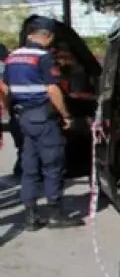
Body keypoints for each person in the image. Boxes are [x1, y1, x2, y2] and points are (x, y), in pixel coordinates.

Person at [3, 17, 83, 229]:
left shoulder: (12, 58)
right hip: (43, 117)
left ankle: (30, 215)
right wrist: (66, 115)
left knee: (29, 167)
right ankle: (55, 213)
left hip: (24, 117)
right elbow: (52, 89)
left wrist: (13, 111)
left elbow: (6, 88)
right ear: (47, 36)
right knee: (52, 165)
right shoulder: (44, 57)